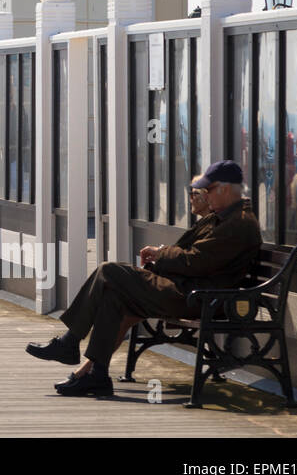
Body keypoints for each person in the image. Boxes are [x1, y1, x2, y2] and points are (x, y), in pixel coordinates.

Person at [26, 160, 261, 397]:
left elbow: (197, 261)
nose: (204, 196)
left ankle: (70, 342)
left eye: (208, 190)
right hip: (188, 290)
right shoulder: (223, 217)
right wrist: (162, 258)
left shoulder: (238, 223)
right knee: (113, 296)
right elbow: (193, 255)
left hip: (196, 297)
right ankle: (97, 374)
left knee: (109, 271)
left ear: (225, 189)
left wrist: (161, 254)